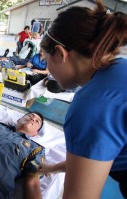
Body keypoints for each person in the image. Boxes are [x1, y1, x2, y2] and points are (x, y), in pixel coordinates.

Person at [40, 0, 127, 198]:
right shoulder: (120, 69)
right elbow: (89, 158)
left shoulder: (92, 105)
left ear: (61, 54)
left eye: (46, 61)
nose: (49, 72)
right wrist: (53, 168)